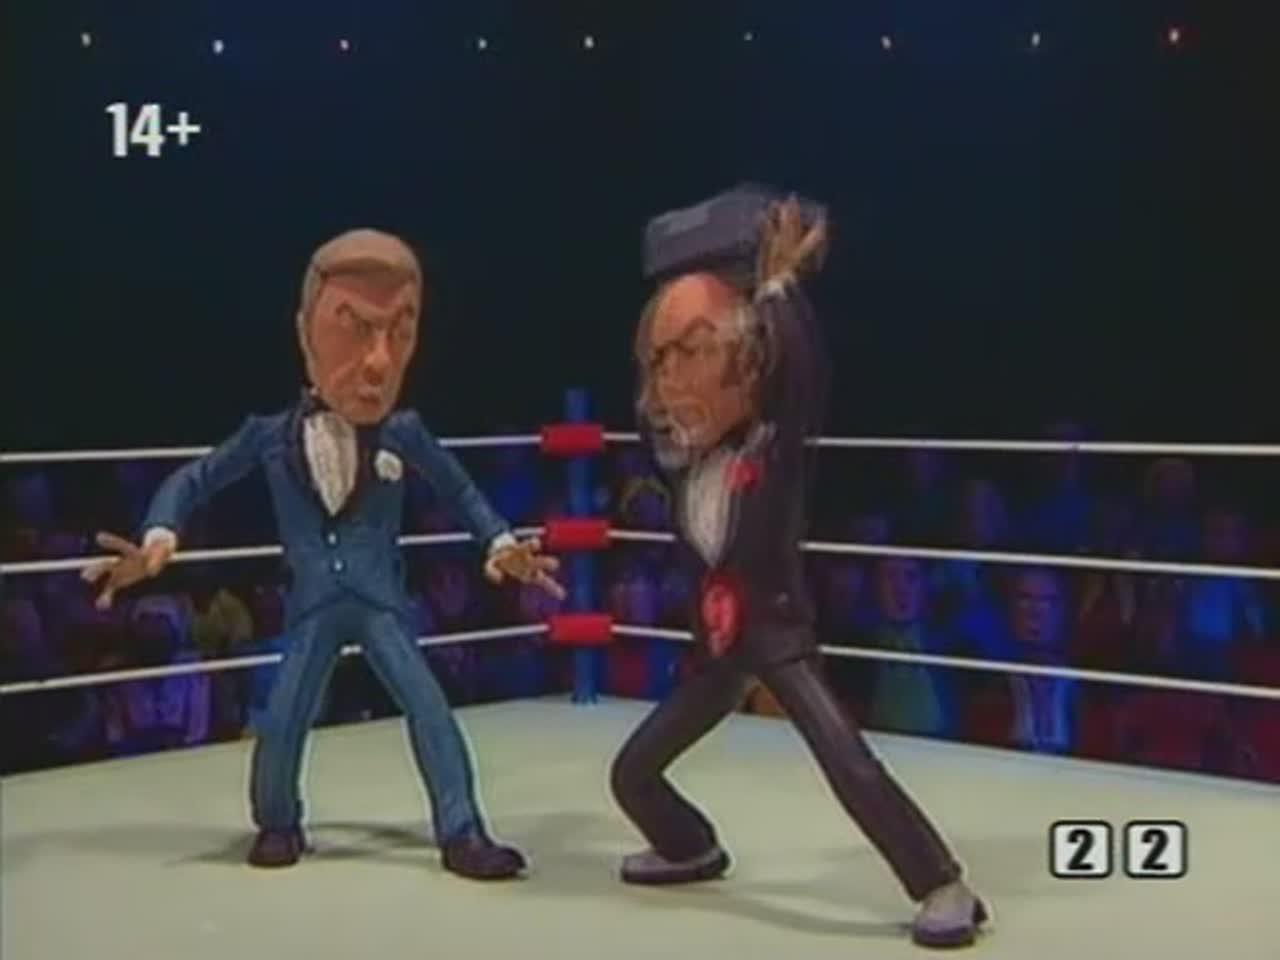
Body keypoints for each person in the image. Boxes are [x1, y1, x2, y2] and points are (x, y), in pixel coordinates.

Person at [82, 228, 564, 878]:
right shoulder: (268, 436)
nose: (379, 362)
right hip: (312, 603)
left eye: (400, 333)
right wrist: (159, 534)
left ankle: (463, 831)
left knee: (428, 707)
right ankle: (278, 822)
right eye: (355, 329)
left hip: (380, 602)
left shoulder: (404, 431)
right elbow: (196, 478)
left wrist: (500, 543)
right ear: (306, 332)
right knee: (284, 717)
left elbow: (459, 489)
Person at [608, 185, 987, 948]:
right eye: (663, 361)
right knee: (632, 774)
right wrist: (675, 337)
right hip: (717, 652)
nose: (674, 377)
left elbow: (799, 370)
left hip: (778, 637)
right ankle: (688, 845)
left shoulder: (773, 444)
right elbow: (659, 409)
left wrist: (778, 288)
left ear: (749, 366)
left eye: (695, 354)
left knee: (848, 764)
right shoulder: (683, 460)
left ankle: (942, 883)